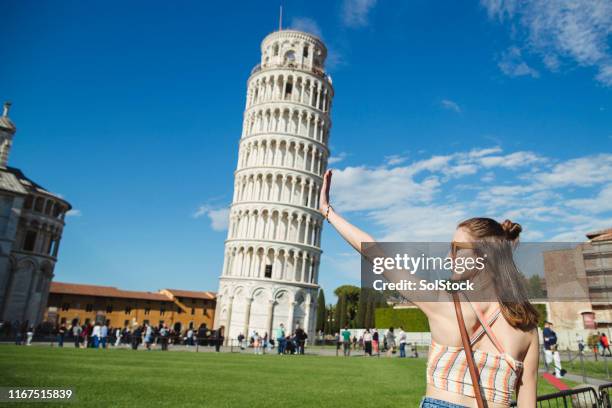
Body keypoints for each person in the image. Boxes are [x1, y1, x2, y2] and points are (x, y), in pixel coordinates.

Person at [319, 170, 539, 407]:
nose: (448, 256)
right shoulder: (526, 327)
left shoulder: (441, 303)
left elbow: (374, 252)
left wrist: (327, 211)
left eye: (456, 249)